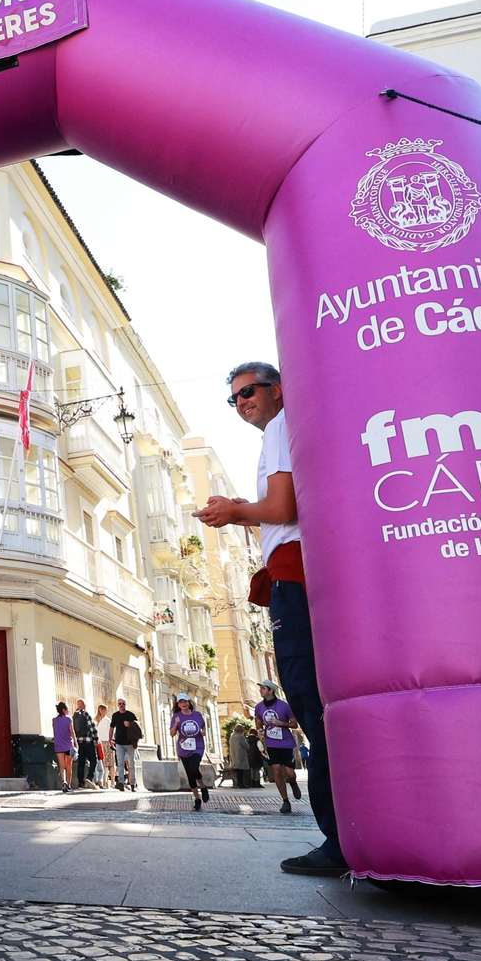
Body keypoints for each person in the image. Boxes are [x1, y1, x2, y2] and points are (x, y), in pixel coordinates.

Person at [195, 362, 346, 876]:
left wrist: (236, 513)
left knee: (309, 698)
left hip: (295, 574)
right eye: (234, 398)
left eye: (249, 392)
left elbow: (282, 509)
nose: (242, 403)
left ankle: (339, 838)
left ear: (278, 389)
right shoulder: (292, 429)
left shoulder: (283, 427)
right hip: (304, 569)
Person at [255, 681, 303, 814]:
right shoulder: (259, 707)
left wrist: (281, 723)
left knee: (289, 773)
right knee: (276, 770)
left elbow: (294, 725)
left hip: (286, 742)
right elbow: (258, 723)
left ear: (270, 690)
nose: (260, 691)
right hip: (271, 743)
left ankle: (293, 783)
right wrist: (259, 730)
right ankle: (285, 801)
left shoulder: (284, 706)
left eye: (263, 689)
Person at [170, 693, 209, 811]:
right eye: (181, 702)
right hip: (184, 748)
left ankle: (202, 786)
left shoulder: (197, 715)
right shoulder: (176, 716)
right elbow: (172, 734)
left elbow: (203, 727)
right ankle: (197, 799)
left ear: (189, 702)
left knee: (194, 767)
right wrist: (176, 723)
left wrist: (203, 732)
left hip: (197, 746)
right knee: (190, 776)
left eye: (185, 702)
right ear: (178, 704)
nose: (183, 704)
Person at [108, 698, 141, 791]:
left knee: (131, 763)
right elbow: (111, 728)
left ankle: (133, 783)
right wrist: (110, 739)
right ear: (117, 705)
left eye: (123, 703)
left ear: (126, 704)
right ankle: (121, 783)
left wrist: (130, 724)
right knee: (120, 762)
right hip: (119, 743)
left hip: (130, 743)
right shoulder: (115, 715)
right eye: (120, 704)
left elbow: (138, 726)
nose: (121, 705)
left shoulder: (130, 715)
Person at [71, 699, 98, 789]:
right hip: (88, 741)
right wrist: (96, 739)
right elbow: (92, 727)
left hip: (78, 742)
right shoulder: (85, 714)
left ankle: (80, 782)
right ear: (83, 705)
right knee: (94, 760)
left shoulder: (74, 715)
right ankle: (90, 777)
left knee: (81, 762)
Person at [51, 702, 75, 792]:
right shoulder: (69, 719)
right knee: (69, 766)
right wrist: (75, 743)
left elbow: (55, 732)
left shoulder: (54, 720)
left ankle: (63, 781)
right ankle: (68, 785)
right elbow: (72, 732)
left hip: (58, 745)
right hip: (68, 744)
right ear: (64, 710)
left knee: (61, 765)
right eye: (67, 709)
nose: (68, 711)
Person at [93, 703, 113, 787]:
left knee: (102, 763)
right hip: (107, 742)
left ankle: (103, 781)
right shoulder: (108, 721)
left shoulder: (95, 720)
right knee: (111, 763)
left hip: (99, 743)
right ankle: (112, 782)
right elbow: (112, 732)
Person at [227, 720, 251, 789]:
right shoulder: (241, 736)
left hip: (233, 755)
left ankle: (238, 783)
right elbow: (246, 746)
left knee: (238, 770)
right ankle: (241, 784)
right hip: (240, 755)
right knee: (241, 770)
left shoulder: (232, 735)